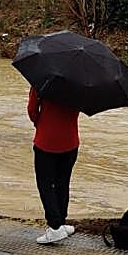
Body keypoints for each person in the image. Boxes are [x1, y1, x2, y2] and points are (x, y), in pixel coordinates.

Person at [28, 86, 80, 244]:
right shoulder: (80, 85)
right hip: (71, 141)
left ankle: (55, 227)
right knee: (63, 183)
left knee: (45, 185)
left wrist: (41, 124)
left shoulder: (42, 82)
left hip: (46, 142)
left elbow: (32, 110)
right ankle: (61, 222)